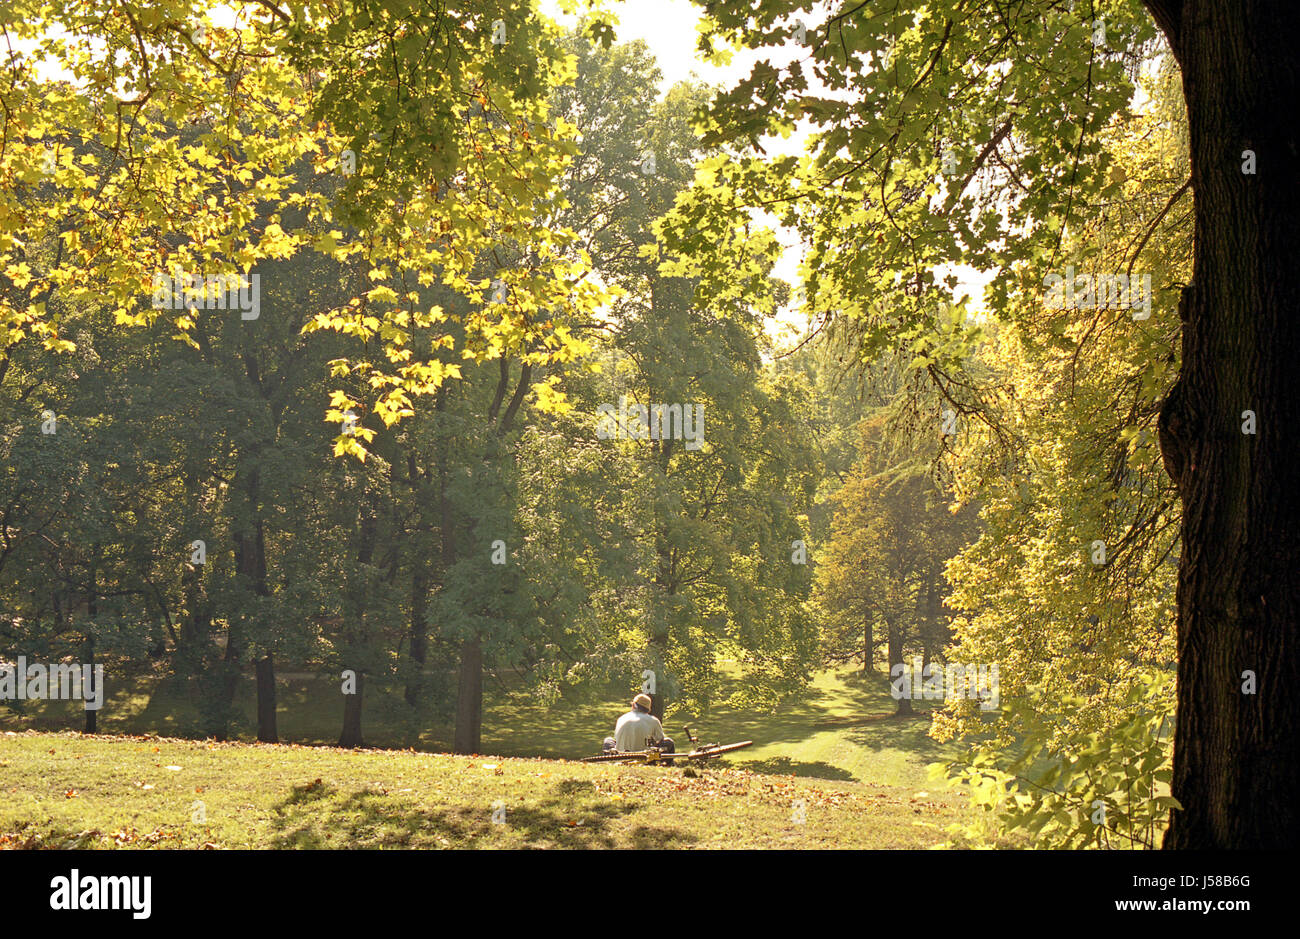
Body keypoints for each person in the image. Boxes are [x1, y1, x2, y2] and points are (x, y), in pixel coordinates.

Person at [603, 693, 675, 757]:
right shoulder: (653, 720)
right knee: (669, 742)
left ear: (633, 705)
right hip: (643, 755)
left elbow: (617, 738)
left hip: (620, 755)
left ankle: (610, 760)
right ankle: (667, 764)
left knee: (608, 740)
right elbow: (660, 740)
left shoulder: (621, 718)